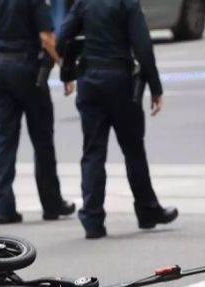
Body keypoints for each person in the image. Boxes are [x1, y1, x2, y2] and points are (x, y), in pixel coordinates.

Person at [56, 0, 178, 239]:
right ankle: (147, 210)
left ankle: (92, 219)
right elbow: (142, 46)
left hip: (89, 80)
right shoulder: (127, 3)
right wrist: (155, 86)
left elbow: (62, 39)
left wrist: (68, 72)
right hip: (120, 80)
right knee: (133, 150)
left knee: (92, 152)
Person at [0, 0, 76, 224]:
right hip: (27, 70)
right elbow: (47, 38)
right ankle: (51, 203)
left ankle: (3, 207)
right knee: (42, 139)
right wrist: (65, 68)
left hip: (0, 69)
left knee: (4, 139)